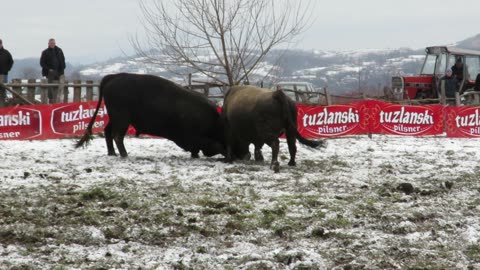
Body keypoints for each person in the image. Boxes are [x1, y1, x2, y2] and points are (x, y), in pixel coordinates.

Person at [40, 38, 66, 104]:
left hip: (59, 72)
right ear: (48, 44)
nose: (52, 44)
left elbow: (63, 60)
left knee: (59, 86)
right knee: (50, 86)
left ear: (55, 43)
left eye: (53, 43)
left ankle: (58, 99)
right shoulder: (45, 52)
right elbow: (42, 63)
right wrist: (48, 69)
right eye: (51, 43)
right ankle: (50, 99)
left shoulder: (59, 51)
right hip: (49, 73)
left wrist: (63, 67)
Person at [0, 38, 14, 108]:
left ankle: (3, 100)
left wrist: (8, 69)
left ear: (1, 44)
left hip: (4, 73)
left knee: (3, 87)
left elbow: (11, 61)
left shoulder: (6, 53)